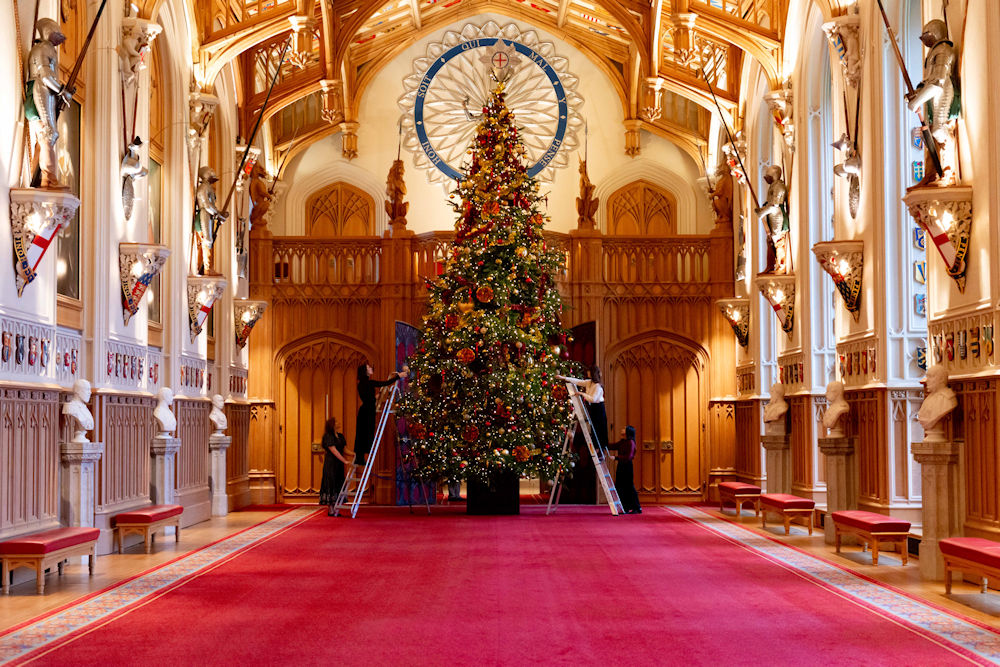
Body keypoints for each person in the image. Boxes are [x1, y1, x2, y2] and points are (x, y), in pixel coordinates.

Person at [354, 362, 405, 465]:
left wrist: (375, 398)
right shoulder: (369, 383)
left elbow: (367, 397)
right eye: (368, 367)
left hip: (364, 410)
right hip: (368, 411)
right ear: (365, 371)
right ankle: (361, 457)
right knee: (367, 433)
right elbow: (385, 383)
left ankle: (359, 457)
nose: (371, 368)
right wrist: (398, 377)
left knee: (361, 434)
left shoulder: (361, 384)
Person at [567, 366, 609, 460]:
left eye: (589, 371)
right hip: (594, 409)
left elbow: (593, 399)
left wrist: (582, 394)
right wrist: (564, 378)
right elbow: (577, 381)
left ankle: (601, 452)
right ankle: (598, 450)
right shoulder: (589, 382)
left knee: (599, 430)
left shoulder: (597, 386)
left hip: (599, 409)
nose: (588, 373)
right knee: (594, 429)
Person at [319, 417, 350, 516]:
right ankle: (331, 509)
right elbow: (334, 451)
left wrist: (355, 454)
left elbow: (344, 449)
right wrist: (344, 460)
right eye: (336, 422)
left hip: (339, 465)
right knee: (331, 484)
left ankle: (337, 508)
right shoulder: (328, 436)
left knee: (338, 483)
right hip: (331, 464)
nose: (338, 423)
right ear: (332, 425)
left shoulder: (340, 436)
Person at [614, 426, 641, 514]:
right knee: (621, 487)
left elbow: (628, 457)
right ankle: (625, 507)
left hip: (627, 467)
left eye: (624, 429)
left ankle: (637, 507)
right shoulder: (622, 442)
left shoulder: (631, 442)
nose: (622, 429)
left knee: (629, 487)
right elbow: (612, 446)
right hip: (621, 466)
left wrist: (616, 458)